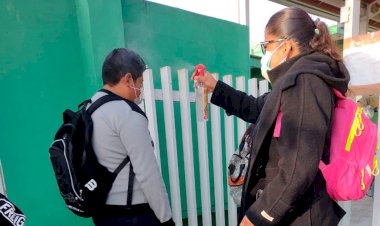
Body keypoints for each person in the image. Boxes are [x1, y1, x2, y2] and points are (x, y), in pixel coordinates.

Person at [193, 7, 350, 226]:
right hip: (290, 209)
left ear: (285, 46)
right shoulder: (293, 81)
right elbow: (256, 108)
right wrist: (215, 87)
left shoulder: (304, 83)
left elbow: (298, 167)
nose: (265, 53)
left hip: (296, 215)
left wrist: (259, 216)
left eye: (267, 45)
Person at [89, 48, 175, 226]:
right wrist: (166, 219)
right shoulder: (127, 113)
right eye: (140, 83)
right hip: (132, 215)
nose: (141, 89)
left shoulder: (91, 107)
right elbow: (148, 174)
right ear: (128, 79)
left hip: (101, 213)